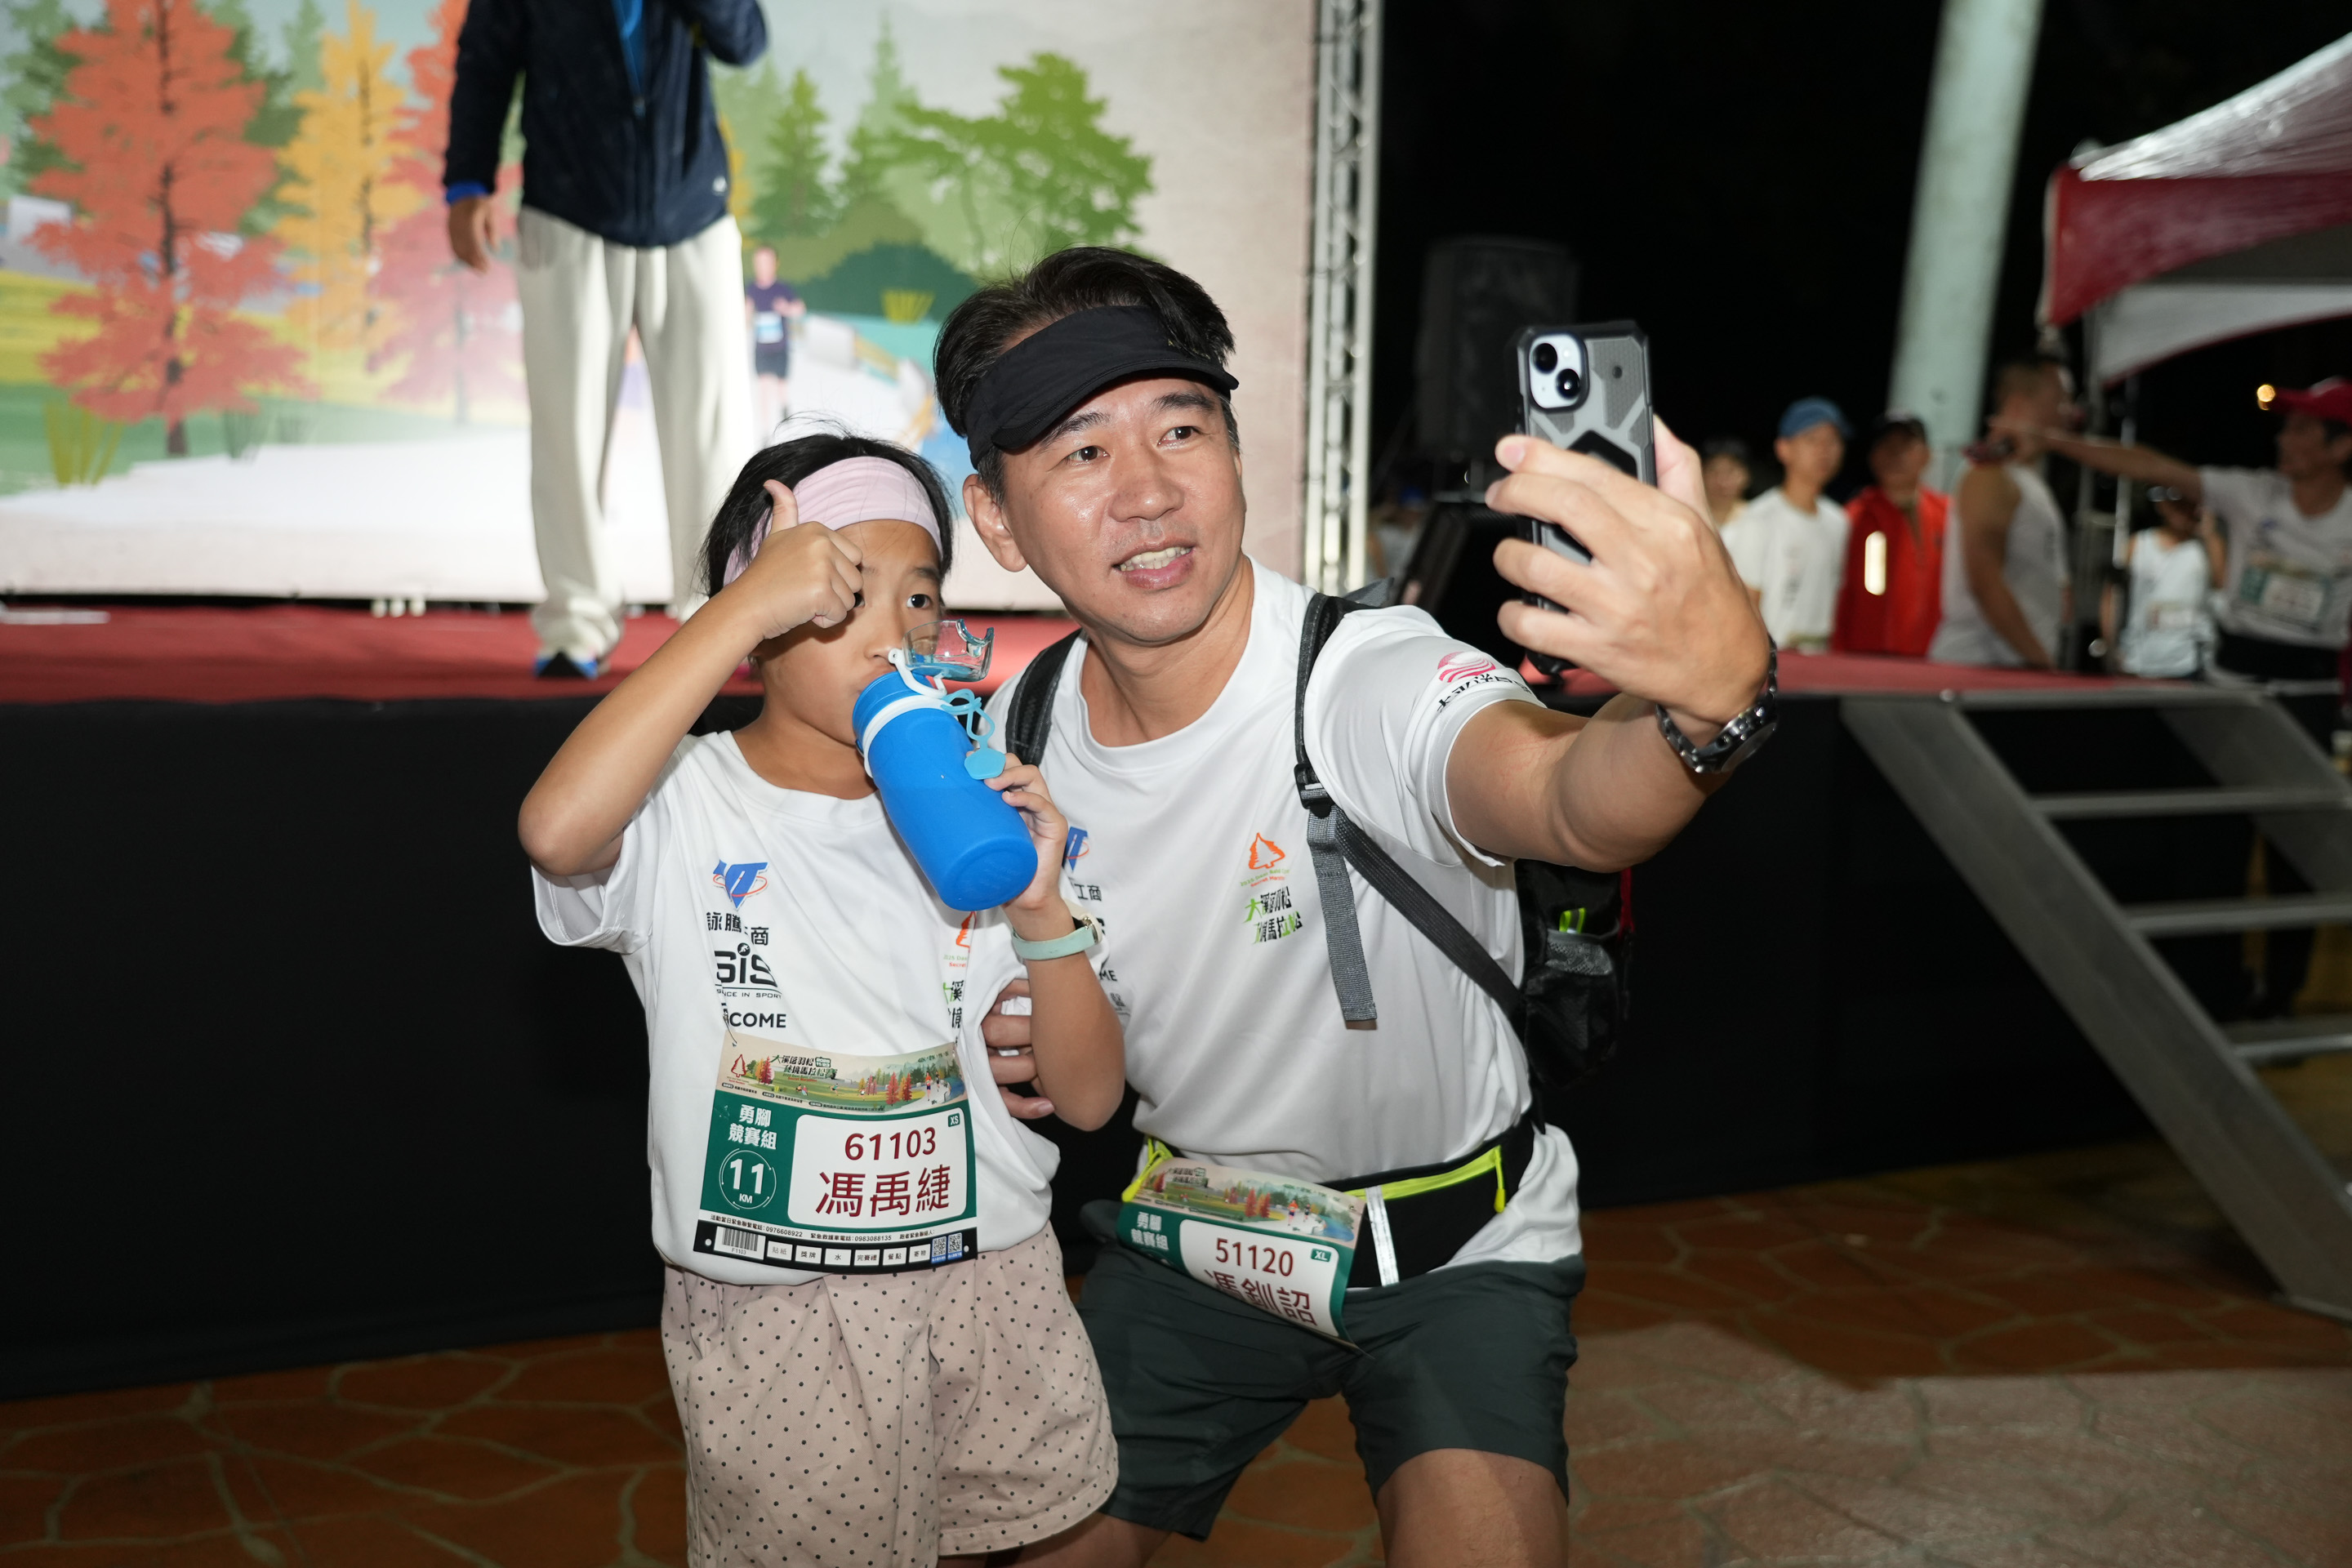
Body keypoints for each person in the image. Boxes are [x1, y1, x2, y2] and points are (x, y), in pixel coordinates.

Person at [937, 247, 1771, 1566]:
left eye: (1181, 429)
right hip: (1197, 1241)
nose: (1148, 490)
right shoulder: (1012, 740)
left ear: (1235, 450)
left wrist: (1703, 707)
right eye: (1082, 452)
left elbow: (1562, 799)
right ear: (996, 518)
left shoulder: (1362, 672)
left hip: (1460, 1250)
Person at [517, 433, 1123, 1565]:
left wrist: (1043, 913)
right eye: (842, 593)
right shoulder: (685, 802)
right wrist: (738, 609)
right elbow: (556, 833)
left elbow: (1088, 1101)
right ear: (757, 620)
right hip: (779, 1308)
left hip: (992, 1279)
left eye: (919, 597)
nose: (892, 630)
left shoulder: (987, 808)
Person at [447, 0, 764, 678]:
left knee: (715, 437)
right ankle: (576, 624)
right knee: (568, 433)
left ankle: (722, 617)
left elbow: (745, 42)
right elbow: (485, 62)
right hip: (568, 212)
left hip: (693, 213)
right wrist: (467, 182)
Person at [2011, 376, 2352, 725]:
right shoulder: (2251, 494)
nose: (2283, 439)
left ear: (2341, 447)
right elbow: (2151, 466)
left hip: (2314, 686)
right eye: (2286, 428)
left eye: (2301, 429)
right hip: (2233, 677)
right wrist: (2051, 441)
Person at [1928, 358, 2075, 670]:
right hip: (1981, 670)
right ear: (2020, 405)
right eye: (2060, 402)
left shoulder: (2028, 480)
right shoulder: (1990, 475)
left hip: (2012, 670)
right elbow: (1985, 581)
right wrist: (2040, 661)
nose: (2070, 413)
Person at [1721, 398, 1851, 652]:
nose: (1824, 450)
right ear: (1783, 449)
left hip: (1823, 659)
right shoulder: (1757, 521)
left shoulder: (1839, 522)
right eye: (1812, 439)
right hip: (1776, 661)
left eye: (1833, 440)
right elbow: (1743, 610)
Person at [1833, 411, 1948, 657]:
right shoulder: (1854, 517)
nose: (1895, 454)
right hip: (1865, 660)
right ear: (1873, 456)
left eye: (1906, 445)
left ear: (1926, 455)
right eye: (1886, 445)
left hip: (1934, 660)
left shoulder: (1949, 516)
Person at [2105, 487, 2220, 679]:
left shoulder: (2205, 547)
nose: (2182, 511)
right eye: (2175, 504)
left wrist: (2209, 534)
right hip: (2139, 661)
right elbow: (2111, 594)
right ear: (2161, 506)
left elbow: (2222, 585)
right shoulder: (2138, 544)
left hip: (2191, 663)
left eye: (2187, 504)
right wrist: (2111, 648)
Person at [745, 244, 806, 441]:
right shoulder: (751, 290)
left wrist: (786, 308)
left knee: (781, 384)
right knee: (763, 387)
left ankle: (785, 409)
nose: (762, 266)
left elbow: (799, 309)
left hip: (780, 347)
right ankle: (765, 431)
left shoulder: (782, 289)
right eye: (759, 262)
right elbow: (745, 315)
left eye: (767, 262)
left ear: (775, 263)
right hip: (761, 348)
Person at [1700, 436, 1753, 528]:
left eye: (1730, 471)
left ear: (1746, 476)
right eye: (1713, 471)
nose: (1721, 481)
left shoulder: (1760, 518)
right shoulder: (1689, 516)